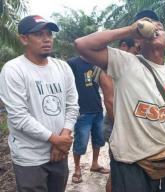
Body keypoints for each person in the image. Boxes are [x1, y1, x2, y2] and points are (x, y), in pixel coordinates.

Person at [75, 10, 165, 192]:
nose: (155, 29)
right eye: (151, 27)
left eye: (159, 27)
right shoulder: (125, 62)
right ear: (138, 41)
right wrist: (130, 30)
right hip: (130, 161)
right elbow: (82, 45)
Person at [0, 15, 79, 192]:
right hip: (30, 158)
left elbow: (73, 105)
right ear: (24, 38)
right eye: (39, 34)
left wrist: (64, 136)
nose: (46, 39)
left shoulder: (62, 67)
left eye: (49, 34)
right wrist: (56, 140)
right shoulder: (13, 70)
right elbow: (19, 117)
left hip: (59, 153)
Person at [97, 38, 140, 192]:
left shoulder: (129, 68)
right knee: (117, 172)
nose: (136, 56)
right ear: (123, 47)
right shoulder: (109, 68)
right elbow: (110, 102)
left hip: (127, 128)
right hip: (117, 128)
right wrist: (128, 131)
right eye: (135, 51)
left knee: (128, 173)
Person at [67, 56, 109, 184]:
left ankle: (95, 164)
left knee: (99, 138)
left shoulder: (96, 63)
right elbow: (67, 86)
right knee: (81, 141)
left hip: (97, 108)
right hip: (82, 110)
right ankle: (77, 169)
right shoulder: (73, 63)